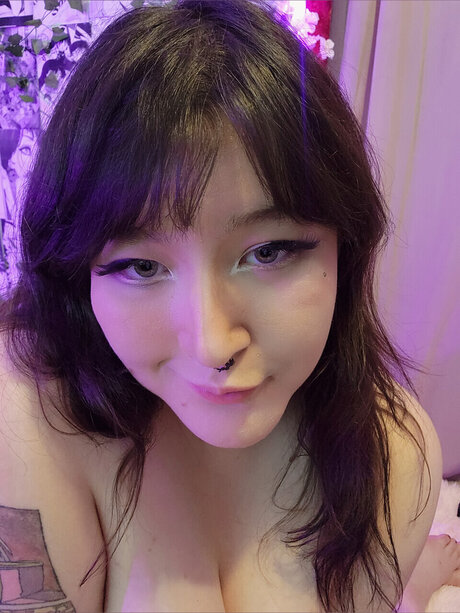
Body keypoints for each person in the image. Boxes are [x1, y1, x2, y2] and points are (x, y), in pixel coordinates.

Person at [0, 0, 458, 611]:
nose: (213, 344)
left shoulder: (395, 458)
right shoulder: (27, 412)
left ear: (346, 245)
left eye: (267, 252)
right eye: (141, 266)